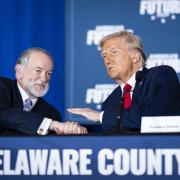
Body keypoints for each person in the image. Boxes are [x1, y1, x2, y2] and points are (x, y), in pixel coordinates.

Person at [68, 31, 180, 133]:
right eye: (104, 56)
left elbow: (150, 117)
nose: (107, 60)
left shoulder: (161, 75)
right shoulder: (110, 101)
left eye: (114, 52)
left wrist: (101, 116)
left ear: (135, 56)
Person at [0, 47, 87, 135]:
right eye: (38, 71)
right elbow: (4, 115)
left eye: (48, 73)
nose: (44, 78)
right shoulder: (2, 87)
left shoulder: (52, 114)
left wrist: (70, 131)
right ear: (20, 72)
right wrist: (50, 124)